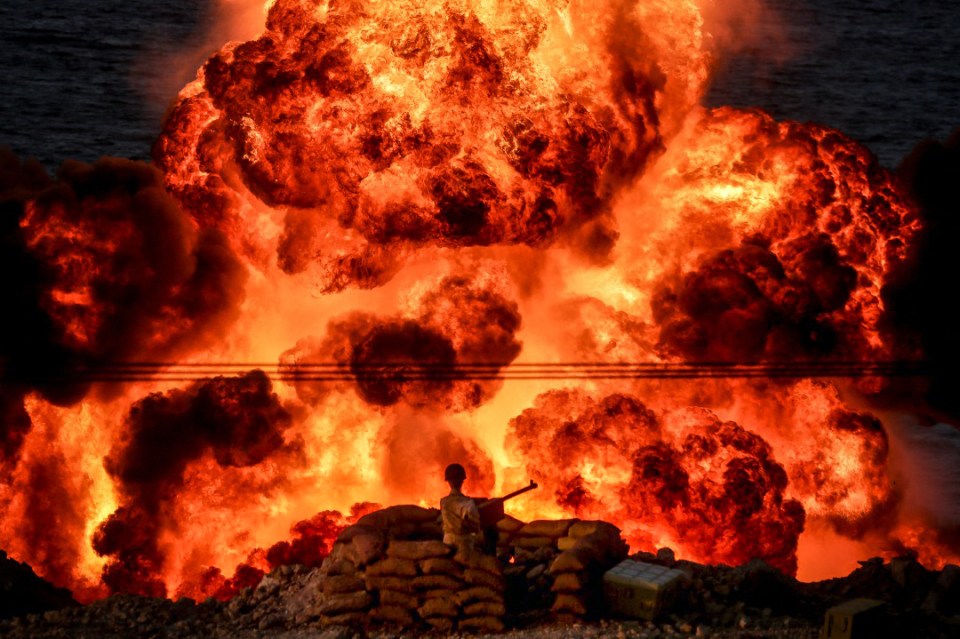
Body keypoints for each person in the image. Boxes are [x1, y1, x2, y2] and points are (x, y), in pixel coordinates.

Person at [440, 463, 481, 553]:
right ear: (462, 480)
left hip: (448, 541)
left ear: (448, 482)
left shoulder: (443, 502)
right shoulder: (468, 503)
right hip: (463, 543)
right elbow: (476, 527)